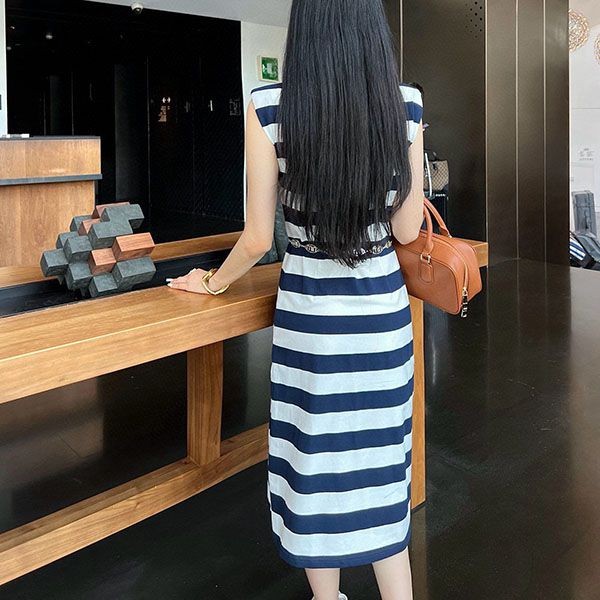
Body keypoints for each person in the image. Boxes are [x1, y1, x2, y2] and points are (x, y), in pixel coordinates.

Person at [167, 1, 425, 598]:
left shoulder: (270, 107)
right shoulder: (405, 105)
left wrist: (212, 282)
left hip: (310, 324)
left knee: (314, 464)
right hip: (381, 321)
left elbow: (259, 238)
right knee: (381, 469)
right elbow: (408, 229)